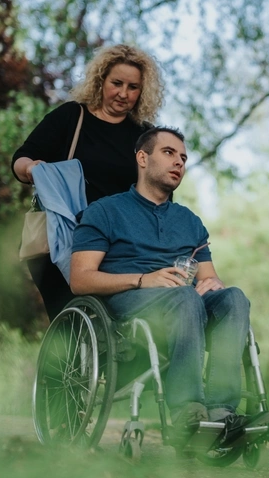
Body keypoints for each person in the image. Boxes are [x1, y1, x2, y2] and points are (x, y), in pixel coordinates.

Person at [69, 126, 251, 434]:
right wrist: (143, 279)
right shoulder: (105, 211)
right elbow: (80, 279)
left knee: (234, 298)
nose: (179, 162)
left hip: (184, 302)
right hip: (129, 300)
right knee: (185, 296)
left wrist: (213, 285)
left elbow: (209, 276)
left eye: (183, 158)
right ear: (143, 158)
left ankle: (221, 410)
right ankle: (186, 410)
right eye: (169, 153)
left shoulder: (190, 221)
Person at [12, 44, 164, 318]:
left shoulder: (145, 136)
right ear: (101, 80)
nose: (123, 93)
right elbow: (22, 158)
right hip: (62, 238)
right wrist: (32, 168)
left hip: (119, 245)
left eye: (133, 87)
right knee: (71, 322)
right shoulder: (72, 117)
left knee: (121, 322)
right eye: (116, 83)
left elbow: (160, 194)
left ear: (142, 91)